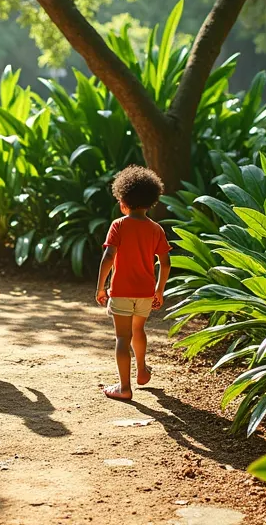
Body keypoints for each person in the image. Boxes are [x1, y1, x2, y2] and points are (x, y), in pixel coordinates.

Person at [95, 166, 171, 401]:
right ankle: (142, 370)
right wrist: (159, 290)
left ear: (122, 201)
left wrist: (100, 287)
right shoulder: (156, 229)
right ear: (151, 201)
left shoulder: (118, 225)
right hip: (146, 293)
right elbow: (166, 263)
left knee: (122, 338)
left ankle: (124, 387)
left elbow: (108, 257)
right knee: (139, 330)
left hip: (121, 292)